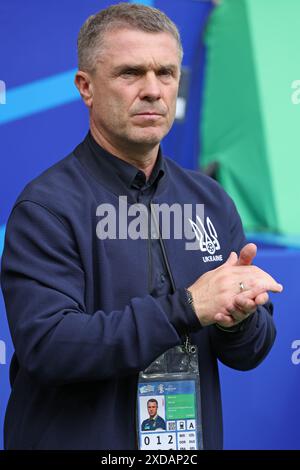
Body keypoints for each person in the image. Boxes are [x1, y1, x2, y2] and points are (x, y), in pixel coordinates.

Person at [0, 3, 282, 450]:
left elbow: (251, 352)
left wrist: (238, 319)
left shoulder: (210, 201)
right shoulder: (46, 208)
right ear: (86, 87)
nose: (153, 90)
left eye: (166, 73)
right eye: (130, 73)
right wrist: (188, 307)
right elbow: (51, 347)